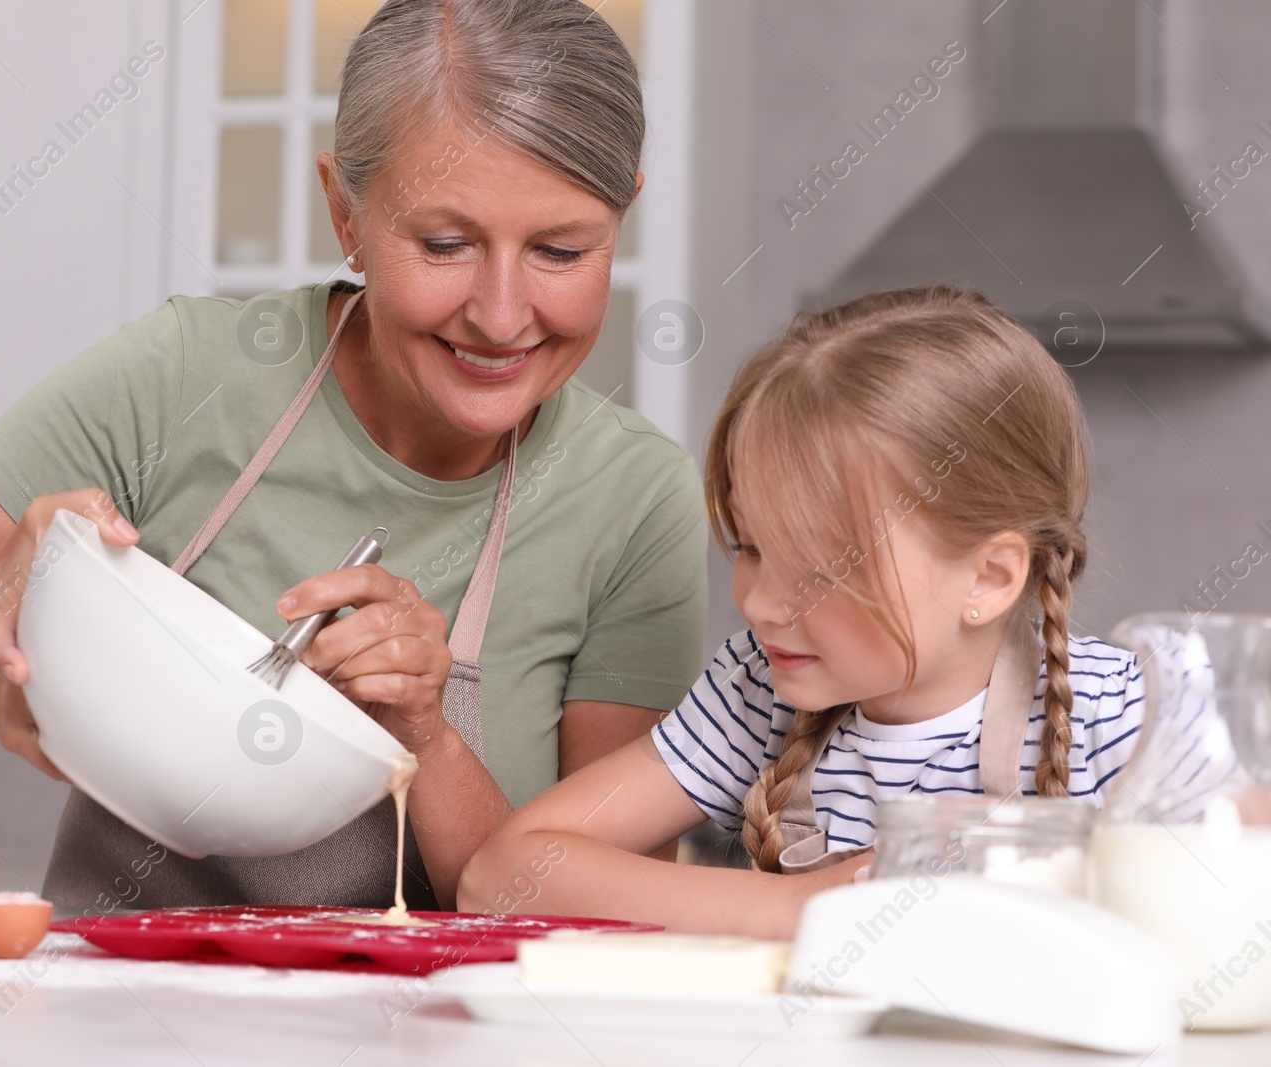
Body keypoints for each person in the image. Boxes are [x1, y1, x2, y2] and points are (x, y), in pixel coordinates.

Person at [0, 0, 707, 911]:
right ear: (345, 216)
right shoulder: (184, 378)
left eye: (562, 252)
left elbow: (607, 922)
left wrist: (427, 735)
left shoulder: (633, 500)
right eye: (445, 242)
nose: (500, 315)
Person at [461, 286, 1238, 937]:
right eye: (752, 547)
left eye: (823, 569)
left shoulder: (1124, 712)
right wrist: (795, 906)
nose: (761, 603)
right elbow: (503, 873)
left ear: (991, 576)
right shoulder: (753, 693)